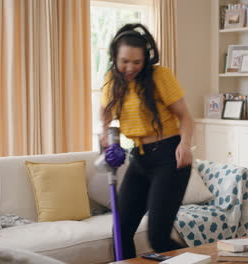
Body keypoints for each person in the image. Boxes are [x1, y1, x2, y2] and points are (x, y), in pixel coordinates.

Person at [99, 23, 194, 260]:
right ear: (115, 57)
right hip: (139, 159)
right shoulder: (112, 80)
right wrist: (106, 135)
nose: (130, 67)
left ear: (145, 59)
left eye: (137, 62)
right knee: (120, 232)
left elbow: (186, 117)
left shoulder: (159, 76)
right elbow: (106, 117)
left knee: (158, 237)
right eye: (124, 61)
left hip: (168, 157)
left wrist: (185, 144)